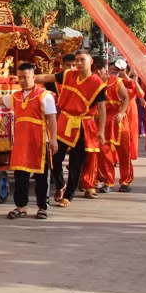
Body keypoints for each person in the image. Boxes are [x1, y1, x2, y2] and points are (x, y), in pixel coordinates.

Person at [0, 63, 57, 219]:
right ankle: (21, 207)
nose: (23, 80)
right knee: (20, 175)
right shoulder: (15, 96)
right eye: (20, 77)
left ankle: (43, 207)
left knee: (41, 176)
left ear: (33, 77)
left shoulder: (45, 95)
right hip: (21, 141)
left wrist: (54, 139)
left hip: (39, 141)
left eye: (26, 77)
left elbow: (52, 119)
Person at [36, 50, 106, 208]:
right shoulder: (69, 75)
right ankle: (60, 185)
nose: (79, 63)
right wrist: (28, 78)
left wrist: (101, 130)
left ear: (90, 62)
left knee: (76, 162)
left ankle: (68, 196)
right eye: (77, 60)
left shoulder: (97, 83)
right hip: (65, 120)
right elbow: (48, 78)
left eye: (82, 60)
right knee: (54, 157)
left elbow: (102, 109)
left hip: (83, 125)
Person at [95, 57, 131, 193]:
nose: (98, 72)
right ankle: (108, 181)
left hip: (117, 120)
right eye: (95, 69)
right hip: (102, 121)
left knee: (124, 151)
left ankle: (126, 181)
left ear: (105, 69)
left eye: (100, 68)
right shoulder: (93, 83)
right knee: (104, 152)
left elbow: (126, 98)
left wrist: (122, 113)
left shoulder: (116, 81)